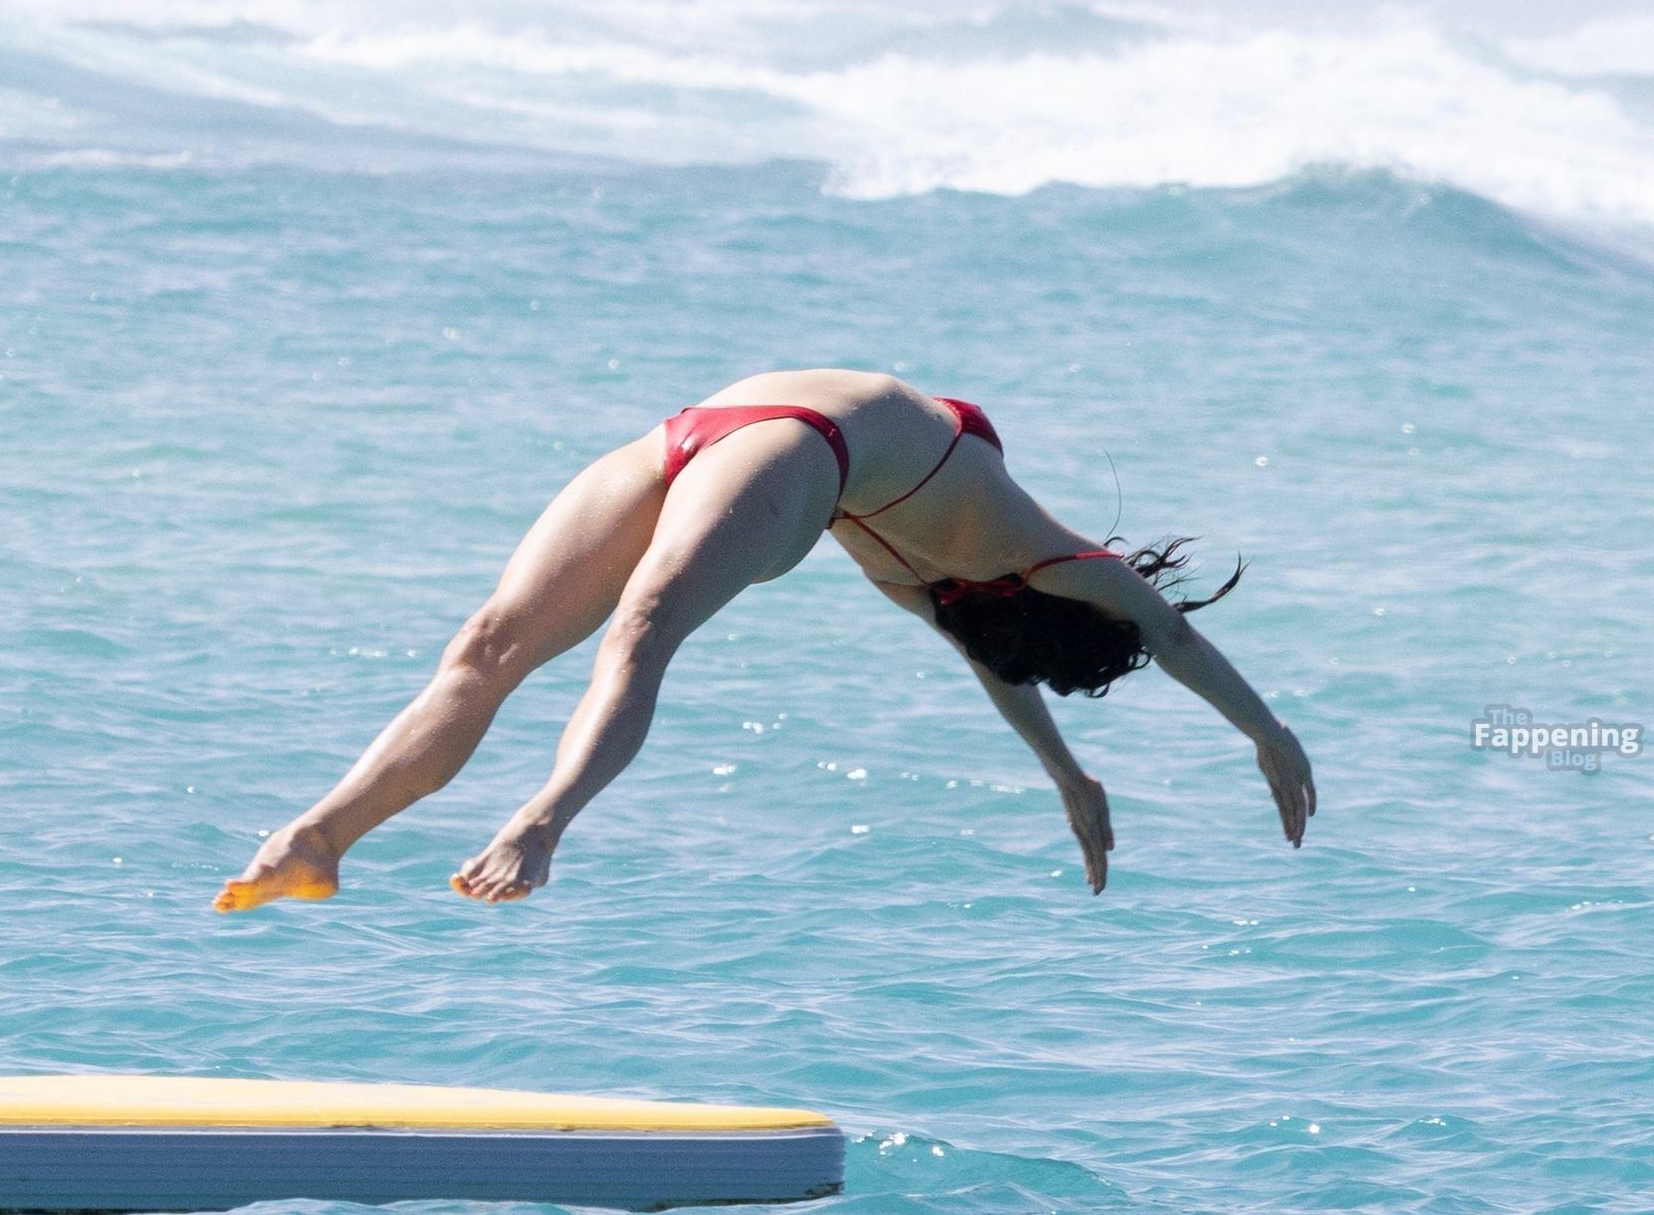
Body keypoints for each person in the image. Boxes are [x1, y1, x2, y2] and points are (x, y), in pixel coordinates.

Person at [213, 369, 1314, 910]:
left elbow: (996, 661)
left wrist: (1064, 769)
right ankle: (316, 837)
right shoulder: (1051, 562)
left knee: (641, 627)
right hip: (702, 432)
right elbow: (1166, 634)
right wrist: (1266, 732)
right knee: (487, 642)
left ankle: (541, 826)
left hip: (793, 453)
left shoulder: (933, 583)